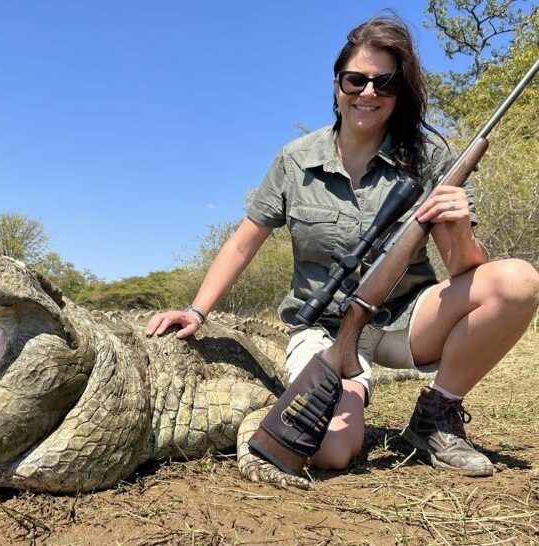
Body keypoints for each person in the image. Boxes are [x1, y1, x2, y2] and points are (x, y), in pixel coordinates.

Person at [144, 15, 539, 478]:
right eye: (356, 80)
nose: (368, 93)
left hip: (407, 320)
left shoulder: (430, 157)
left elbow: (465, 269)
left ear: (399, 92)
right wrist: (195, 312)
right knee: (332, 452)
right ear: (337, 85)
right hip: (329, 329)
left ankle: (436, 417)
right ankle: (335, 389)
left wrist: (458, 226)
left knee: (517, 282)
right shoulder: (294, 159)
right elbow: (242, 244)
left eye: (385, 83)